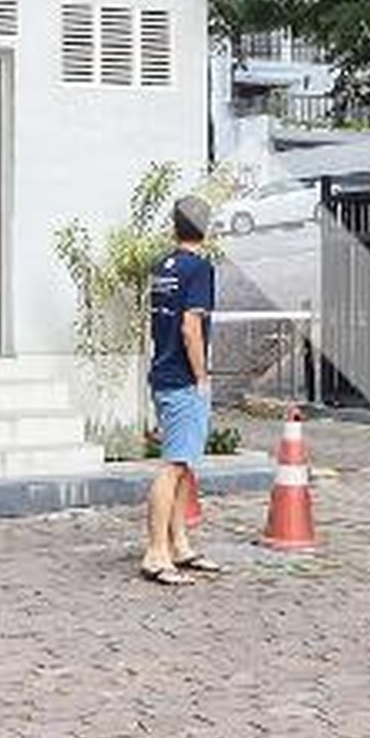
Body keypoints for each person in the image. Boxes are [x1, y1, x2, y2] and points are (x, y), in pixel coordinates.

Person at [138, 194, 225, 588]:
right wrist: (202, 377)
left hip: (161, 372)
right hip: (182, 379)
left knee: (183, 464)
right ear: (205, 228)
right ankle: (156, 553)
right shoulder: (199, 270)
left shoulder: (163, 267)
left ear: (175, 225)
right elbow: (192, 328)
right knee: (174, 465)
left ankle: (180, 544)